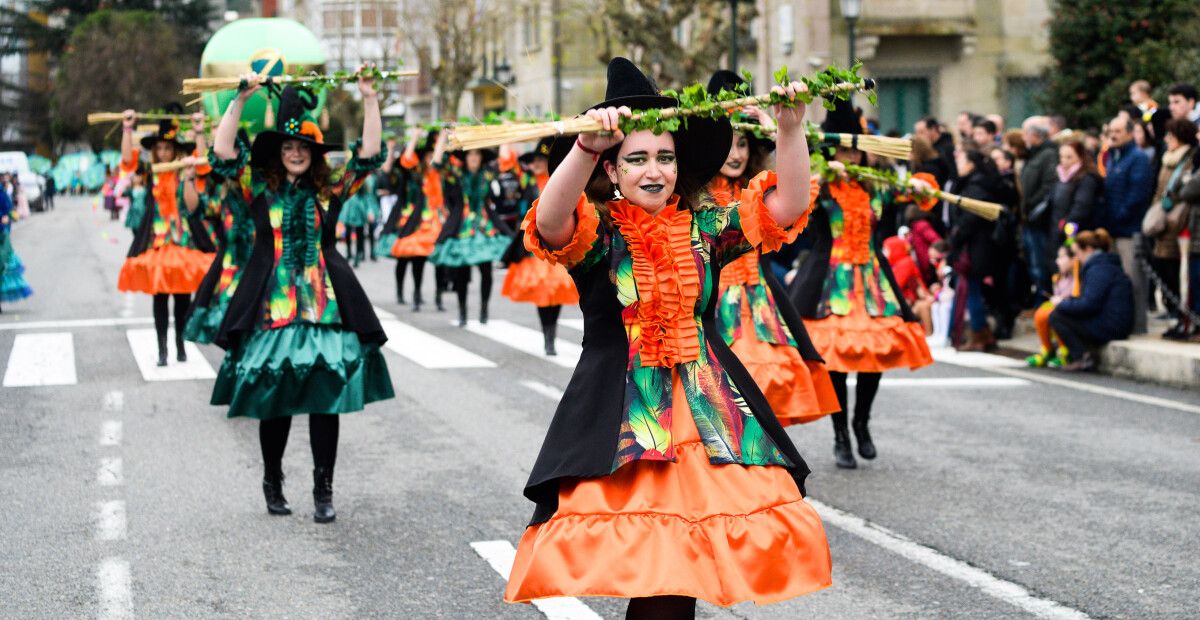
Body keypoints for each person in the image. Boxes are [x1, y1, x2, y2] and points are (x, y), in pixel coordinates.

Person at [504, 57, 831, 617]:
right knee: (656, 577)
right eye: (636, 159)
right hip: (623, 418)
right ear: (613, 171)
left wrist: (791, 127)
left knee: (681, 577)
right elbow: (552, 221)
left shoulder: (708, 230)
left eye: (664, 158)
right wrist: (583, 148)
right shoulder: (597, 235)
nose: (653, 171)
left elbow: (790, 204)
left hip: (708, 411)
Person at [208, 71, 395, 523]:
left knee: (324, 400)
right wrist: (240, 100)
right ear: (278, 155)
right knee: (274, 401)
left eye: (303, 149)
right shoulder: (259, 191)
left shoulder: (328, 192)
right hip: (270, 311)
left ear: (313, 156)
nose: (295, 154)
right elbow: (221, 153)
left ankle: (323, 489)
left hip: (323, 310)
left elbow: (369, 155)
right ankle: (272, 481)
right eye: (288, 149)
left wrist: (369, 98)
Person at [790, 99, 935, 470]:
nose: (849, 157)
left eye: (854, 150)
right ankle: (840, 434)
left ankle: (862, 423)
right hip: (830, 283)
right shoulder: (818, 187)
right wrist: (819, 176)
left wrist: (920, 187)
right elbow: (793, 207)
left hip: (872, 282)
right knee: (836, 360)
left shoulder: (877, 187)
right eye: (841, 149)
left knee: (873, 357)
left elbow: (919, 194)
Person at [705, 68, 838, 427]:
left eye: (743, 143)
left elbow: (793, 202)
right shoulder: (691, 193)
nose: (735, 153)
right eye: (728, 143)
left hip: (759, 303)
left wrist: (780, 128)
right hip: (711, 307)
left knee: (768, 387)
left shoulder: (760, 189)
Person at [116, 106, 216, 366]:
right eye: (159, 149)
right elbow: (127, 160)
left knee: (183, 297)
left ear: (174, 150)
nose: (163, 153)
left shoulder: (184, 169)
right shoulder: (149, 171)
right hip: (157, 243)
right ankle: (162, 349)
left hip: (182, 240)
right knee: (160, 297)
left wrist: (198, 132)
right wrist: (127, 128)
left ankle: (180, 343)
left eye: (167, 149)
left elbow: (203, 163)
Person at [499, 137, 578, 355]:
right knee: (544, 291)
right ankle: (548, 338)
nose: (536, 164)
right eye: (534, 160)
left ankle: (551, 333)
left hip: (558, 245)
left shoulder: (558, 181)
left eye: (541, 160)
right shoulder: (525, 182)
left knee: (558, 290)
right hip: (534, 247)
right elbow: (507, 164)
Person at [182, 123, 255, 345]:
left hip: (261, 270)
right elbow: (195, 208)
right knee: (231, 335)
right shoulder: (223, 201)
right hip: (231, 273)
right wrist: (189, 178)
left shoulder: (261, 193)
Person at [429, 136, 512, 326]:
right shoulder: (456, 173)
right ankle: (462, 311)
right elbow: (436, 163)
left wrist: (506, 134)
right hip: (462, 228)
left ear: (482, 157)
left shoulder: (488, 173)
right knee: (461, 273)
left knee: (486, 271)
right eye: (470, 154)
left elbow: (505, 161)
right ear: (465, 157)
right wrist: (442, 136)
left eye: (477, 154)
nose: (473, 157)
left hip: (484, 228)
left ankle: (484, 308)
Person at [377, 130, 448, 311]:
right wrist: (415, 136)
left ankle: (439, 297)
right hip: (412, 221)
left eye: (433, 154)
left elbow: (439, 160)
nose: (431, 158)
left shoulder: (436, 173)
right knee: (412, 259)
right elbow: (406, 159)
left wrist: (443, 137)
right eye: (428, 155)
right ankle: (412, 294)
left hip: (434, 221)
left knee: (439, 259)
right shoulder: (413, 174)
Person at [1049, 229, 1133, 371]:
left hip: (1112, 325)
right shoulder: (1102, 266)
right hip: (1113, 321)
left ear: (1088, 250)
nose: (1077, 258)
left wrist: (1062, 303)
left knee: (1057, 315)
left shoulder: (1099, 269)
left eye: (1078, 253)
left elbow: (1089, 304)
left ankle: (1082, 357)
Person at [1143, 118, 1197, 337]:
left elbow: (1188, 190)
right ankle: (1174, 310)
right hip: (1163, 219)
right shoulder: (1167, 159)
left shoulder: (1190, 158)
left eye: (1170, 136)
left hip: (1179, 221)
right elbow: (1160, 188)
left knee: (1176, 270)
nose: (1166, 140)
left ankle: (1180, 314)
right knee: (1162, 265)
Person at [1100, 116, 1154, 334]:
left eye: (1118, 131)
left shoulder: (1137, 158)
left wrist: (1121, 216)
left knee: (1134, 280)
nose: (1113, 135)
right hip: (1114, 228)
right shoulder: (1114, 157)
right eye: (1111, 130)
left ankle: (1137, 325)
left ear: (1130, 133)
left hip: (1130, 229)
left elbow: (1137, 194)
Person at [949, 149, 1003, 351]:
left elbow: (970, 219)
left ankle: (980, 334)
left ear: (971, 163)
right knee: (973, 290)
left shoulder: (976, 185)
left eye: (961, 159)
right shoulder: (975, 183)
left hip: (976, 246)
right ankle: (981, 333)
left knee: (973, 290)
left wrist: (957, 235)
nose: (958, 163)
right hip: (977, 245)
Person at [1020, 116, 1060, 301]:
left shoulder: (1048, 154)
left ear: (1035, 134)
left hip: (1039, 219)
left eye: (1025, 132)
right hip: (1029, 218)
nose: (1023, 137)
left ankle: (1043, 301)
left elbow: (1048, 186)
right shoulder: (1034, 154)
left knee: (1041, 264)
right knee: (1033, 263)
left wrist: (1030, 204)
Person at [1026, 242, 1079, 368]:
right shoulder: (1058, 278)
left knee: (1054, 315)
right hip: (1062, 306)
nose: (1057, 261)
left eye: (1061, 257)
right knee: (1041, 313)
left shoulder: (1078, 275)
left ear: (1073, 259)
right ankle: (1047, 349)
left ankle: (1065, 352)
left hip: (1072, 308)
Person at [1049, 140, 1102, 247]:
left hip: (1074, 231)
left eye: (1069, 157)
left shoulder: (1087, 178)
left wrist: (1067, 232)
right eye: (1062, 157)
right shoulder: (1060, 176)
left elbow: (1081, 209)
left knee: (1072, 257)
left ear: (1080, 157)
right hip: (1057, 227)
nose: (1064, 161)